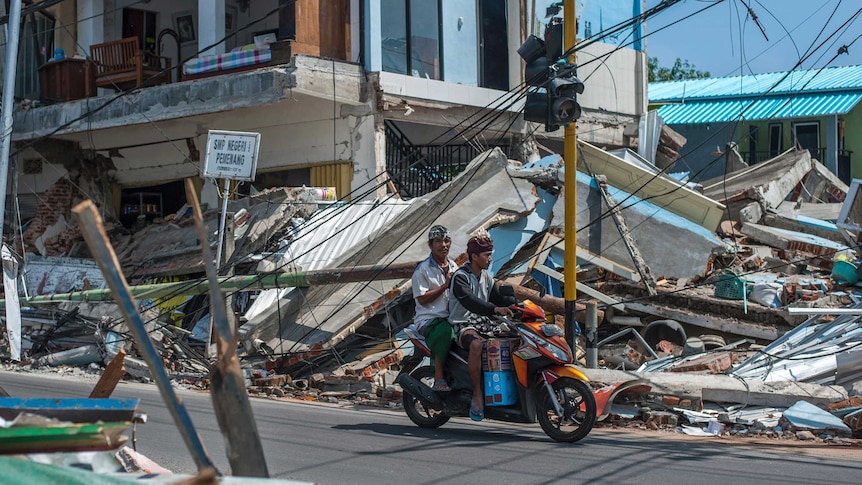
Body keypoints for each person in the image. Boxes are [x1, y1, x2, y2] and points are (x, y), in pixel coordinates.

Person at [449, 234, 517, 421]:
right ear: (474, 256)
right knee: (477, 345)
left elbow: (498, 298)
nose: (490, 258)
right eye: (486, 255)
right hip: (462, 324)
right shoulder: (460, 277)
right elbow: (471, 302)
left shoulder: (486, 277)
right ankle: (477, 394)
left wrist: (517, 305)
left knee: (515, 339)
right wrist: (495, 309)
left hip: (485, 324)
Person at [412, 225, 458, 392]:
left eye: (446, 241)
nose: (443, 245)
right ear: (430, 245)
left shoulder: (454, 267)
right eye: (438, 241)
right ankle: (438, 377)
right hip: (429, 320)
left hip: (452, 318)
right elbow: (422, 299)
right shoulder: (422, 269)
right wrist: (444, 286)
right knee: (445, 332)